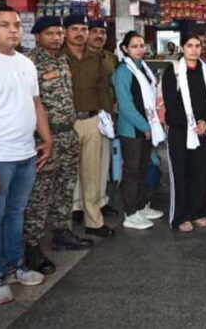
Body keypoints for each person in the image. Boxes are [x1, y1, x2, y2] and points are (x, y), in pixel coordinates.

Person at [0, 6, 51, 304]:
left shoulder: (25, 63)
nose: (13, 29)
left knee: (16, 213)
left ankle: (15, 267)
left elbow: (36, 104)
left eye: (16, 24)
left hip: (25, 154)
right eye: (4, 25)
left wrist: (47, 138)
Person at [23, 17, 92, 276]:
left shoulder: (62, 59)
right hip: (44, 137)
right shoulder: (30, 62)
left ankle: (62, 232)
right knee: (41, 193)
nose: (56, 38)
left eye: (59, 33)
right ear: (37, 36)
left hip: (67, 134)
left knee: (65, 186)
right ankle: (31, 246)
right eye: (50, 34)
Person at [62, 14, 115, 238]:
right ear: (65, 32)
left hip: (92, 121)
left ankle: (94, 221)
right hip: (65, 124)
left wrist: (106, 118)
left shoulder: (95, 59)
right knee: (65, 178)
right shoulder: (58, 58)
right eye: (74, 29)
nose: (80, 33)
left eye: (83, 29)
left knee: (92, 175)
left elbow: (103, 90)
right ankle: (63, 227)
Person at [162, 34, 206, 232]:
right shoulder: (173, 70)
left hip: (200, 130)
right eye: (189, 45)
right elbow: (171, 102)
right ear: (182, 48)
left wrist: (205, 121)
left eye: (197, 45)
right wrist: (191, 123)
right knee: (180, 174)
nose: (194, 49)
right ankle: (179, 217)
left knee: (199, 172)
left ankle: (197, 211)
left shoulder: (205, 70)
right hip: (180, 130)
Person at [113, 32, 165, 230]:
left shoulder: (143, 67)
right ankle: (130, 213)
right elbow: (125, 105)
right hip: (132, 130)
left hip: (146, 127)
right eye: (134, 46)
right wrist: (145, 126)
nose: (139, 49)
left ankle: (141, 206)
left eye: (142, 45)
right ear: (125, 49)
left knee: (143, 168)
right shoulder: (123, 71)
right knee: (132, 172)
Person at [81, 19, 120, 220]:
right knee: (80, 166)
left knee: (103, 163)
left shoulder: (110, 59)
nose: (99, 36)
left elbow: (115, 87)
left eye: (102, 32)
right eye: (94, 31)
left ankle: (101, 201)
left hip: (105, 117)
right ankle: (77, 206)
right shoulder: (76, 56)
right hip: (82, 116)